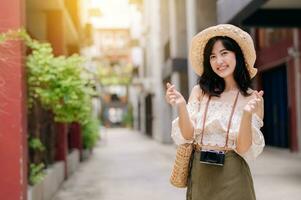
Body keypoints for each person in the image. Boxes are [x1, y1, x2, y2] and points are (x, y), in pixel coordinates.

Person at [165, 24, 264, 200]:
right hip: (200, 173)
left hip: (233, 175)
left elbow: (242, 148)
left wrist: (247, 114)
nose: (219, 61)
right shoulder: (199, 92)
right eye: (213, 56)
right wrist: (180, 105)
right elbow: (187, 135)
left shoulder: (252, 99)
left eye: (224, 53)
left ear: (237, 55)